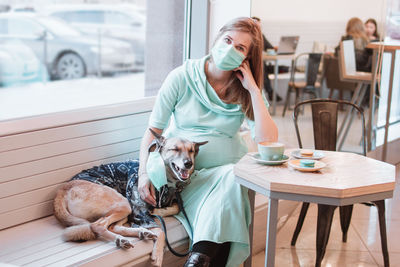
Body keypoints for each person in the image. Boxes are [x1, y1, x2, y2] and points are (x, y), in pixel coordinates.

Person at [138, 17, 278, 267]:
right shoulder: (181, 77)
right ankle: (199, 260)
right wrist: (143, 173)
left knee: (232, 179)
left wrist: (254, 90)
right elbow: (152, 132)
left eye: (240, 48)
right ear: (217, 39)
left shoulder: (244, 90)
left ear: (247, 59)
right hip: (183, 179)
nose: (230, 48)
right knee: (230, 191)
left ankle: (197, 260)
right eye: (228, 40)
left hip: (226, 178)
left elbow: (268, 140)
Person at [251, 16, 282, 101]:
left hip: (261, 64)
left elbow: (270, 48)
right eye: (257, 26)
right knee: (263, 67)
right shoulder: (249, 37)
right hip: (253, 65)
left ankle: (270, 92)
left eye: (260, 27)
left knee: (283, 68)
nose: (259, 28)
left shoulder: (261, 36)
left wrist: (279, 48)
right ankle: (270, 92)